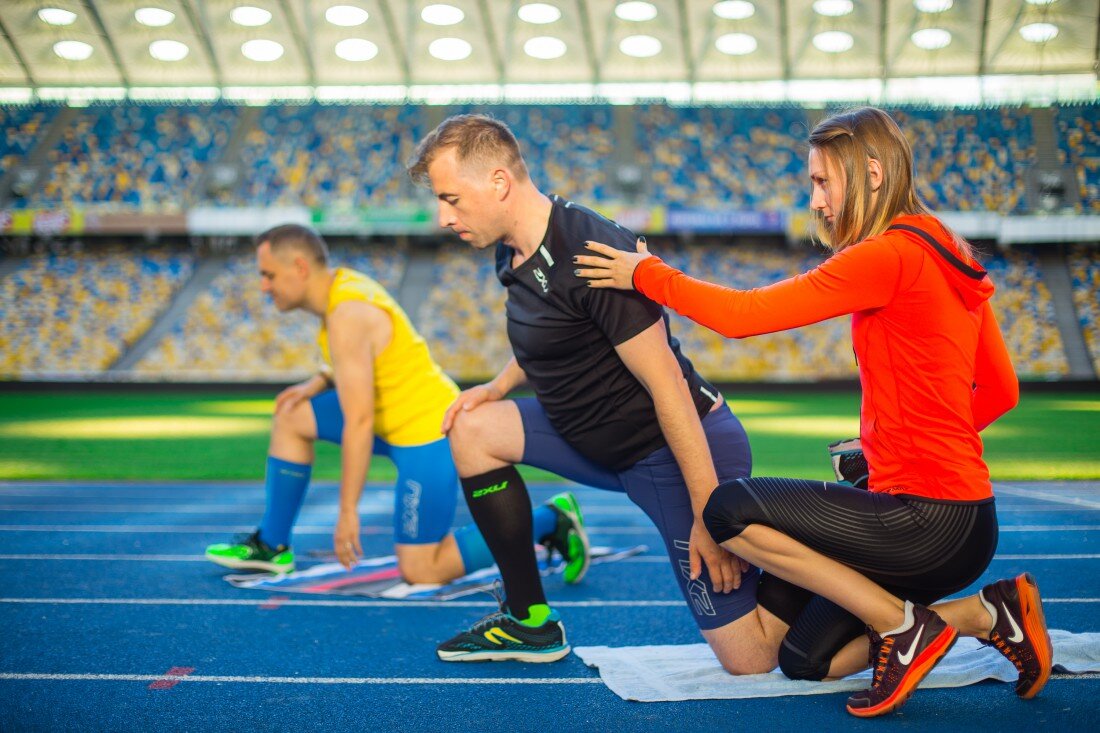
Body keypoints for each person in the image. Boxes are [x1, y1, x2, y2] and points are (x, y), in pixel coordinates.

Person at [575, 106, 1051, 717]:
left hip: (926, 522)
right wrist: (894, 451)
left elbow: (743, 318)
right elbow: (1001, 391)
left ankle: (901, 627)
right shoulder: (948, 250)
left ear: (872, 172)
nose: (817, 200)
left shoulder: (888, 254)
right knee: (807, 662)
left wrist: (647, 272)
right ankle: (989, 612)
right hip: (963, 522)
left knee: (727, 509)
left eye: (823, 181)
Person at [406, 114, 785, 669]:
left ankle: (858, 584)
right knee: (472, 428)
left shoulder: (591, 249)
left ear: (498, 183)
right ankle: (528, 620)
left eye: (451, 199)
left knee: (748, 658)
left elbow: (669, 388)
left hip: (673, 453)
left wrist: (709, 514)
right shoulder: (509, 249)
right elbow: (552, 337)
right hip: (593, 441)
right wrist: (497, 386)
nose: (443, 218)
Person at [205, 223, 589, 588]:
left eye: (268, 275)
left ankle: (549, 520)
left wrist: (347, 513)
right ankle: (272, 547)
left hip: (428, 432)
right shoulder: (342, 288)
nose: (263, 286)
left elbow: (358, 422)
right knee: (291, 414)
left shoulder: (347, 314)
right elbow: (359, 358)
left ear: (299, 267)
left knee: (421, 569)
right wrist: (318, 381)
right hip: (391, 422)